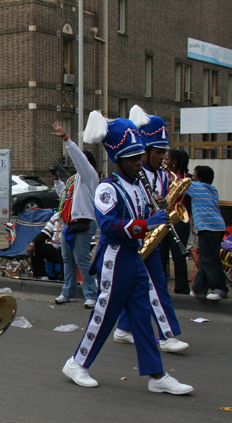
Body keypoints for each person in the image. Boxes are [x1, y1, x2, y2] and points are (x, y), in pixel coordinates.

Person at [61, 111, 193, 395]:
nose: (138, 163)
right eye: (133, 159)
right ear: (117, 159)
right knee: (105, 314)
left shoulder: (138, 186)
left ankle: (156, 375)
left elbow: (141, 215)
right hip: (115, 256)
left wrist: (155, 208)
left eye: (139, 157)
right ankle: (76, 363)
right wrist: (148, 223)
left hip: (135, 257)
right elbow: (110, 226)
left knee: (142, 317)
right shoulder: (108, 188)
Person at [113, 107, 189, 354]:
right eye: (158, 152)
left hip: (152, 237)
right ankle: (167, 336)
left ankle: (124, 329)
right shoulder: (133, 171)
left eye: (164, 152)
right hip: (135, 237)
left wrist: (164, 204)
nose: (163, 157)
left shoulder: (164, 176)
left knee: (141, 286)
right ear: (144, 151)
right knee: (156, 284)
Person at [50, 121, 99, 308]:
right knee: (67, 259)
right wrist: (56, 181)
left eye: (81, 161)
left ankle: (90, 294)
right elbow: (65, 196)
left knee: (82, 260)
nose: (76, 163)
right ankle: (68, 292)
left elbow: (80, 160)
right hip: (69, 224)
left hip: (84, 223)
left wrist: (66, 140)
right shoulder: (74, 180)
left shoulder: (90, 177)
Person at [187, 165, 228, 300]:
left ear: (199, 179)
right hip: (217, 226)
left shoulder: (195, 187)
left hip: (207, 227)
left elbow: (180, 184)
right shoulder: (213, 189)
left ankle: (220, 288)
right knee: (206, 258)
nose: (191, 178)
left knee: (211, 259)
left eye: (194, 175)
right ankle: (199, 289)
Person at [160, 149, 191, 294]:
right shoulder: (162, 176)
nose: (164, 161)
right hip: (165, 218)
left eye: (166, 159)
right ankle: (160, 286)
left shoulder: (186, 178)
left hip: (179, 221)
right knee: (161, 256)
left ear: (174, 162)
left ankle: (182, 289)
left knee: (179, 257)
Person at [25, 212, 63, 280]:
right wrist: (33, 243)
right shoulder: (57, 216)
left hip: (68, 250)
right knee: (36, 247)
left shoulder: (73, 216)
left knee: (63, 250)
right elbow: (46, 232)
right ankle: (42, 277)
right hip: (55, 249)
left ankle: (65, 279)